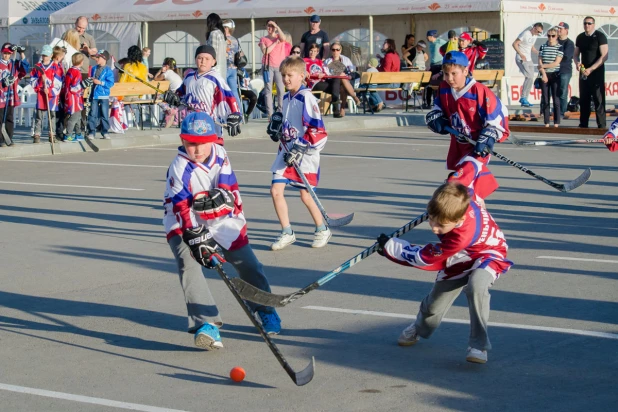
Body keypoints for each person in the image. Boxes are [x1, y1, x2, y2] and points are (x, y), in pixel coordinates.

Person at [164, 111, 282, 349]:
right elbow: (181, 206)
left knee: (248, 264)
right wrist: (196, 238)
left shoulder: (220, 155)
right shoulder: (180, 166)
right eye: (190, 143)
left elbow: (228, 186)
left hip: (220, 218)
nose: (197, 150)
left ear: (214, 139)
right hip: (183, 221)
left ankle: (264, 309)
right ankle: (206, 324)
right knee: (189, 265)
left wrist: (224, 201)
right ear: (182, 139)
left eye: (202, 143)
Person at [376, 182, 512, 364]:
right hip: (459, 258)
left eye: (441, 225)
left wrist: (390, 247)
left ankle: (478, 345)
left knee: (476, 287)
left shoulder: (461, 236)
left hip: (489, 253)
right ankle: (419, 327)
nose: (434, 228)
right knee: (434, 305)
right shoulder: (464, 195)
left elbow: (425, 257)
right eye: (431, 219)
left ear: (459, 220)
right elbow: (467, 172)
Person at [425, 52, 509, 203]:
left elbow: (499, 114)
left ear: (465, 71)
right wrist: (436, 117)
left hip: (477, 148)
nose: (449, 78)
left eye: (454, 73)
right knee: (473, 195)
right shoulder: (444, 88)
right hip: (459, 146)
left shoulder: (479, 91)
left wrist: (490, 133)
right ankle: (482, 223)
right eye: (446, 74)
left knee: (456, 184)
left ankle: (452, 216)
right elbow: (438, 108)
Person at [266, 56, 331, 250]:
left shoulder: (306, 97)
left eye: (290, 75)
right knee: (275, 190)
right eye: (283, 75)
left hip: (305, 154)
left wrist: (301, 147)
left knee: (306, 195)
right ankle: (287, 231)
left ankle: (322, 228)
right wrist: (277, 130)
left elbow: (317, 129)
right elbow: (288, 126)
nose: (285, 79)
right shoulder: (286, 98)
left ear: (301, 76)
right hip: (286, 153)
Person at [168, 45, 241, 138]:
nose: (203, 61)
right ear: (195, 60)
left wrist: (234, 115)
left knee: (211, 151)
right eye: (200, 58)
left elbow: (229, 97)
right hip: (191, 124)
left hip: (210, 126)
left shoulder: (215, 79)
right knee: (191, 151)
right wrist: (173, 98)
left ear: (213, 62)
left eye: (207, 59)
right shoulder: (189, 77)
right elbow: (180, 96)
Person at [574, 16, 608, 129]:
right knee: (584, 98)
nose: (586, 25)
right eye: (585, 23)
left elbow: (604, 56)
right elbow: (575, 54)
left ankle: (601, 125)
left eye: (589, 23)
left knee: (598, 99)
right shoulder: (580, 37)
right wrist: (577, 63)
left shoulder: (600, 36)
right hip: (584, 72)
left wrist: (591, 69)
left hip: (596, 71)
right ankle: (583, 124)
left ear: (593, 24)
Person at [31, 44, 63, 144]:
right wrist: (40, 84)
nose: (45, 57)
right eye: (43, 55)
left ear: (51, 55)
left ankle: (52, 133)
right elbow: (32, 80)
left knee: (52, 115)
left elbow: (58, 81)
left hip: (51, 96)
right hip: (41, 95)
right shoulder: (37, 67)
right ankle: (37, 134)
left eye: (47, 55)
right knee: (39, 115)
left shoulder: (55, 67)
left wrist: (51, 90)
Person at [0, 42, 29, 147]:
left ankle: (9, 138)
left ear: (12, 54)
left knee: (10, 118)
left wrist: (21, 53)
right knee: (0, 117)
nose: (6, 55)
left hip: (10, 96)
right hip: (1, 96)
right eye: (4, 53)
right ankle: (1, 140)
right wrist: (3, 82)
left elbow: (24, 69)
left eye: (8, 53)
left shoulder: (14, 64)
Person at [304, 43, 343, 117]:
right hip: (313, 83)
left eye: (315, 51)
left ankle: (335, 106)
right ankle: (336, 109)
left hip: (323, 81)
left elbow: (327, 73)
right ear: (308, 51)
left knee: (336, 80)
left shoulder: (320, 62)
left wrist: (323, 75)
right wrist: (304, 71)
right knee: (336, 89)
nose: (312, 53)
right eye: (311, 51)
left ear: (317, 52)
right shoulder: (304, 61)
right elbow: (298, 69)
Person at [323, 41, 362, 115]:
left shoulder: (346, 60)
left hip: (347, 82)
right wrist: (339, 74)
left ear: (340, 50)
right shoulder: (327, 61)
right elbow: (326, 74)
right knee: (341, 82)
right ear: (331, 51)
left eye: (337, 50)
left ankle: (342, 109)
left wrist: (349, 76)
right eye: (333, 50)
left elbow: (352, 72)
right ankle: (352, 99)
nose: (335, 52)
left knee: (343, 81)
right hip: (333, 83)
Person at [258, 19, 287, 118]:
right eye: (268, 26)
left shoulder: (279, 37)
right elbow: (265, 51)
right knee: (268, 90)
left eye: (272, 26)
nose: (270, 28)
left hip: (279, 66)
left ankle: (280, 111)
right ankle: (270, 113)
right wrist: (275, 43)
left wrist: (277, 27)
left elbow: (284, 38)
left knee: (281, 89)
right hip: (267, 66)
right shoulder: (263, 39)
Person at [538, 28, 564, 128]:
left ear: (557, 36)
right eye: (549, 35)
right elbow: (540, 60)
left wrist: (543, 66)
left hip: (555, 74)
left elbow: (556, 63)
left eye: (553, 36)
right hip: (545, 74)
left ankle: (556, 122)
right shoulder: (543, 46)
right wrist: (543, 73)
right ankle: (546, 122)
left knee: (556, 99)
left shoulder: (559, 47)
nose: (550, 38)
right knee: (545, 99)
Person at [513, 23, 543, 107]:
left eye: (540, 32)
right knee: (529, 76)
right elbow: (514, 44)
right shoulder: (526, 33)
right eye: (537, 31)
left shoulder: (535, 36)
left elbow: (531, 47)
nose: (538, 33)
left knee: (531, 77)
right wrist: (520, 54)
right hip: (521, 58)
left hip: (528, 59)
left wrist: (538, 52)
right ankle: (523, 98)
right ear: (534, 28)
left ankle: (525, 98)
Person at [87, 50, 114, 139]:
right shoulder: (94, 68)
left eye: (98, 57)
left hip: (103, 95)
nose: (96, 59)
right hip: (94, 95)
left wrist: (100, 82)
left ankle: (105, 131)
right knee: (92, 113)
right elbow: (91, 79)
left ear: (104, 59)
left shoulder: (108, 70)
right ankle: (91, 131)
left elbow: (110, 83)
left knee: (104, 114)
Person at [62, 53, 89, 142]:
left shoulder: (70, 70)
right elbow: (74, 87)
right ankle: (68, 135)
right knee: (74, 117)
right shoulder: (76, 72)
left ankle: (78, 133)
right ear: (81, 62)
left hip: (70, 98)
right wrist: (84, 84)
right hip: (74, 99)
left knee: (78, 117)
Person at [154, 57, 183, 128]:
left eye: (163, 65)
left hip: (174, 97)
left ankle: (168, 109)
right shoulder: (176, 74)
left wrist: (160, 71)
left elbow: (156, 78)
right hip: (179, 96)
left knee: (156, 98)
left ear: (166, 66)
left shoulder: (167, 73)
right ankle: (167, 123)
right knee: (169, 108)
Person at [222, 19, 242, 116]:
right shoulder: (235, 40)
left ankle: (225, 112)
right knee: (234, 91)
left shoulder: (223, 39)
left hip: (224, 67)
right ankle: (239, 113)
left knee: (223, 90)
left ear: (226, 28)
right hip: (233, 68)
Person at [556, 22, 574, 118]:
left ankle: (563, 111)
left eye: (561, 29)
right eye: (558, 28)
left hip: (565, 70)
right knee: (554, 91)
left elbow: (566, 56)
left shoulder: (569, 43)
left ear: (566, 30)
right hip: (553, 70)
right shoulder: (554, 40)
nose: (559, 30)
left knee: (563, 91)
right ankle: (555, 109)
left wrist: (555, 59)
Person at [426, 30, 446, 108]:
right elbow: (432, 56)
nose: (427, 38)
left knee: (437, 83)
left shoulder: (440, 41)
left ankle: (436, 102)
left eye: (427, 36)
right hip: (432, 65)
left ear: (431, 36)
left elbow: (448, 46)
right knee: (429, 83)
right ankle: (428, 102)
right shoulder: (430, 43)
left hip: (439, 64)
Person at [205, 13, 227, 80]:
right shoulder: (221, 33)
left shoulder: (213, 33)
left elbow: (213, 51)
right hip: (222, 66)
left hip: (215, 67)